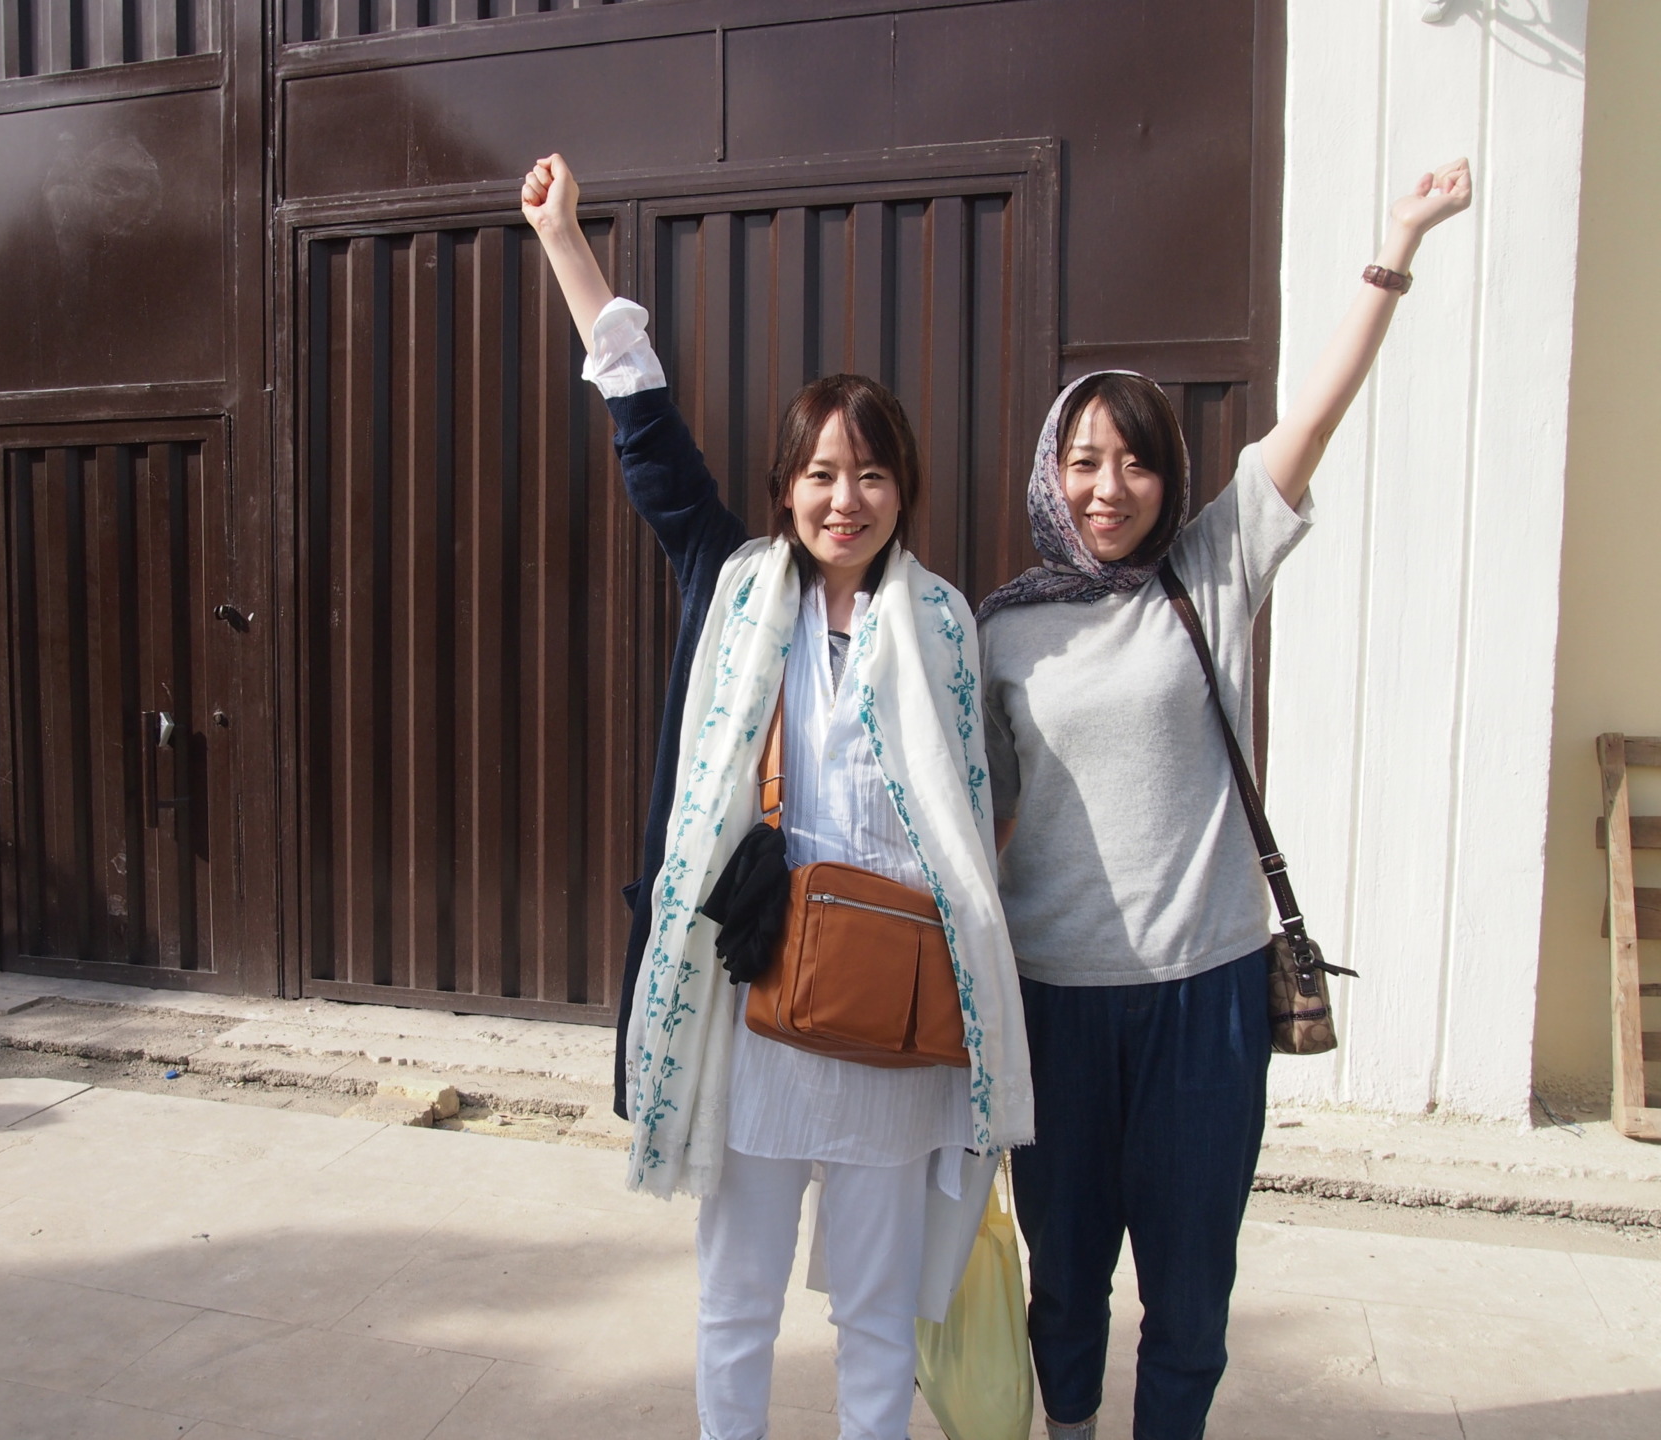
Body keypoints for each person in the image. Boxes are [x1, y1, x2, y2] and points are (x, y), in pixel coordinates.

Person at [521, 153, 1032, 1440]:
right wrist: (566, 241)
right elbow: (646, 432)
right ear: (785, 488)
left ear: (903, 489)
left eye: (871, 475)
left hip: (895, 1026)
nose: (844, 500)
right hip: (759, 1005)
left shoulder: (946, 627)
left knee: (877, 1316)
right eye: (821, 474)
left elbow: (975, 827)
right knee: (736, 1302)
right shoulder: (736, 587)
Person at [976, 158, 1475, 1440]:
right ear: (1049, 471)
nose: (1108, 488)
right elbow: (985, 820)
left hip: (1205, 995)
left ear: (1169, 477)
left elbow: (1315, 416)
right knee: (1064, 1280)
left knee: (1191, 1294)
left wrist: (1399, 244)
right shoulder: (1000, 628)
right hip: (1054, 999)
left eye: (1136, 463)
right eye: (1084, 461)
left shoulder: (1211, 569)